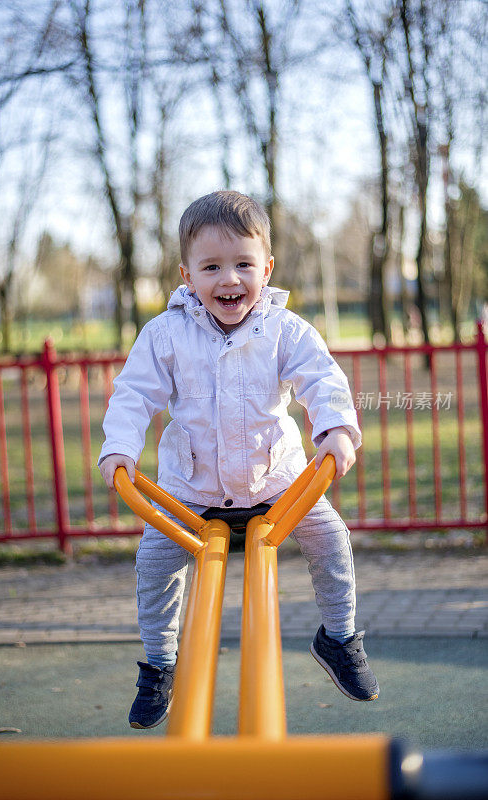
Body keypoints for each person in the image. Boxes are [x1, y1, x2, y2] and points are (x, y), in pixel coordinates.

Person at [99, 190, 379, 729]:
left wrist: (338, 429)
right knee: (155, 564)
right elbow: (134, 395)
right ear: (187, 276)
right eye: (211, 267)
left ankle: (339, 636)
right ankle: (160, 663)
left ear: (266, 268)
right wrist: (120, 449)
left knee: (331, 536)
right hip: (191, 493)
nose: (229, 280)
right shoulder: (166, 335)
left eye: (243, 265)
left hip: (276, 488)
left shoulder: (285, 330)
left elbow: (323, 380)